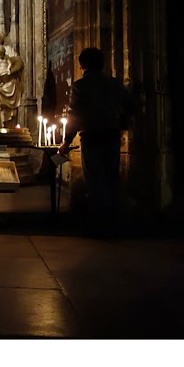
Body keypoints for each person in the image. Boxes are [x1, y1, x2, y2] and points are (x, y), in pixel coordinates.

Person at [57, 47, 133, 233]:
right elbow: (129, 107)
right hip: (112, 135)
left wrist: (67, 141)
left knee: (95, 181)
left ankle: (99, 225)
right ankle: (115, 223)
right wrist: (121, 126)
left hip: (91, 137)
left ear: (81, 64)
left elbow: (75, 115)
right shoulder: (115, 84)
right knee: (111, 178)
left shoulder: (80, 86)